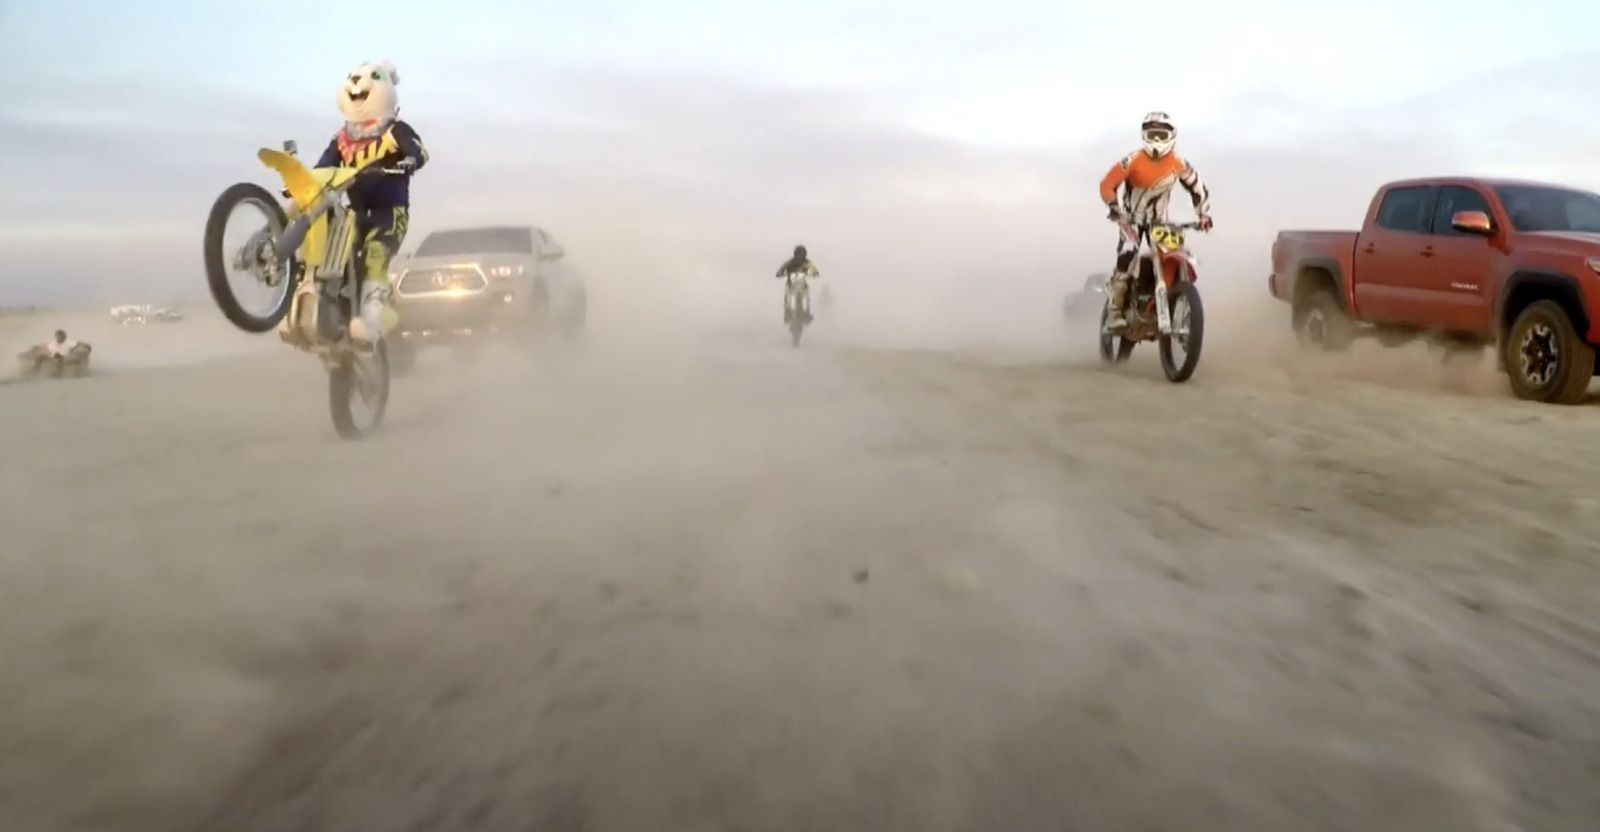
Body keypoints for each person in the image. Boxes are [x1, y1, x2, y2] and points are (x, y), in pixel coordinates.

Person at [310, 60, 429, 347]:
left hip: (391, 213)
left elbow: (419, 151)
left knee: (376, 256)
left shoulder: (395, 130)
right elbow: (323, 168)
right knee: (331, 254)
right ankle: (322, 311)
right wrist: (307, 184)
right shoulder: (343, 138)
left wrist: (408, 162)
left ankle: (373, 321)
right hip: (355, 214)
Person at [1096, 112, 1212, 332]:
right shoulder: (1132, 160)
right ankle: (1114, 313)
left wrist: (1203, 215)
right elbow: (1106, 184)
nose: (1157, 141)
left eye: (1161, 135)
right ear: (1144, 135)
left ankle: (1173, 295)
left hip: (1160, 224)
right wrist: (1114, 208)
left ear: (1171, 136)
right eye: (1152, 134)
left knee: (1175, 253)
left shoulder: (1178, 163)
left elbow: (1198, 188)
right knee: (1128, 257)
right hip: (1131, 221)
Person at [774, 245, 820, 324]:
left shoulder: (807, 262)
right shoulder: (790, 262)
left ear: (804, 255)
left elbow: (813, 269)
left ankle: (807, 312)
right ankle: (787, 312)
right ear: (794, 254)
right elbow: (782, 268)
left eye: (800, 254)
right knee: (787, 295)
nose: (799, 256)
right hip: (791, 284)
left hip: (802, 284)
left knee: (807, 296)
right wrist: (779, 272)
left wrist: (815, 273)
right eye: (797, 254)